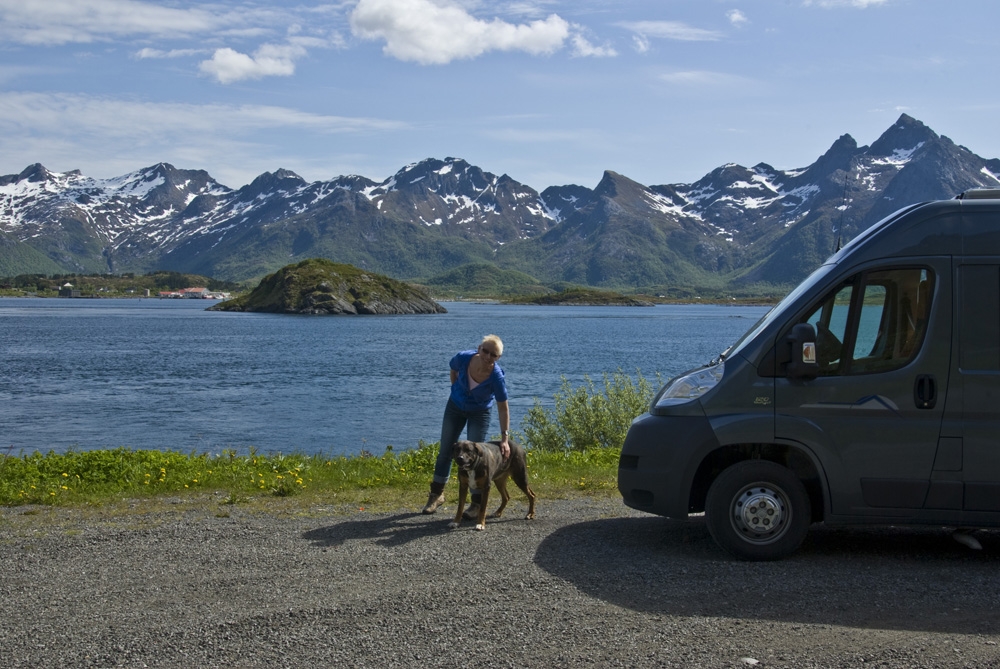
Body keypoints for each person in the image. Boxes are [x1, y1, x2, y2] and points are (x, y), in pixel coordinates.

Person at [422, 334, 510, 516]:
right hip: (455, 407)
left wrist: (505, 439)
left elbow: (503, 407)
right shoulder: (463, 358)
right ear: (479, 348)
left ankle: (476, 504)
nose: (487, 357)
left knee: (476, 456)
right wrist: (456, 389)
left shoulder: (496, 377)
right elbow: (453, 370)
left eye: (493, 355)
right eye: (485, 351)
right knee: (446, 450)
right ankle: (436, 495)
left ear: (498, 358)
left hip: (480, 413)